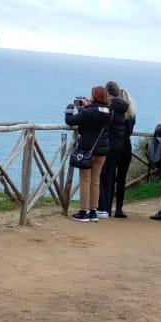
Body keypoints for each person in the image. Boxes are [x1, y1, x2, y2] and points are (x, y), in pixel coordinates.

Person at [64, 85, 115, 222]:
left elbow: (70, 121)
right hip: (102, 150)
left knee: (85, 180)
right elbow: (96, 117)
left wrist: (70, 106)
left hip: (87, 149)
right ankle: (93, 211)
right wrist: (87, 107)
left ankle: (83, 211)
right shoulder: (110, 112)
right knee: (95, 180)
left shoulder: (89, 111)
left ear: (95, 96)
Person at [97, 83, 136, 218]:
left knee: (108, 176)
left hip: (113, 145)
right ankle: (119, 208)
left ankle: (106, 206)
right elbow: (130, 131)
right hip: (125, 147)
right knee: (121, 179)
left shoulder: (112, 109)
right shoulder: (130, 114)